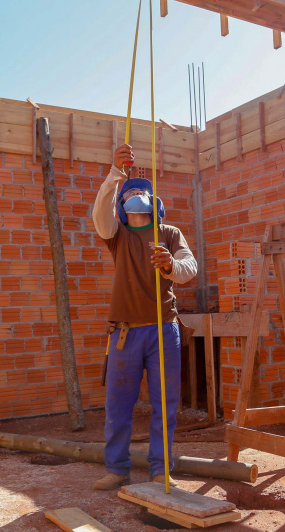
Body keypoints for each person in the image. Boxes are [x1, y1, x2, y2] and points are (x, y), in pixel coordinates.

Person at [91, 143, 198, 490]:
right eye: (130, 191)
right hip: (125, 333)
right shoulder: (116, 235)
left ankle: (159, 469)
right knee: (118, 407)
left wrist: (170, 265)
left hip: (164, 331)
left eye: (143, 190)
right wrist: (116, 174)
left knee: (164, 406)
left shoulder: (169, 233)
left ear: (155, 202)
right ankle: (117, 468)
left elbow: (189, 267)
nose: (136, 193)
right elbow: (100, 215)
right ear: (122, 203)